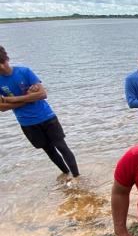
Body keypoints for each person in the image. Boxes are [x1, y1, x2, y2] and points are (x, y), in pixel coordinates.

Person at [0, 45, 79, 177]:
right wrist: (29, 98)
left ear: (6, 59)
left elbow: (42, 94)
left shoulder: (24, 71)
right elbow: (1, 108)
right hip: (27, 123)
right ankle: (66, 175)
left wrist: (12, 100)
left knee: (62, 146)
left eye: (3, 62)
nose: (2, 67)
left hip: (47, 117)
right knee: (49, 151)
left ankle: (77, 177)